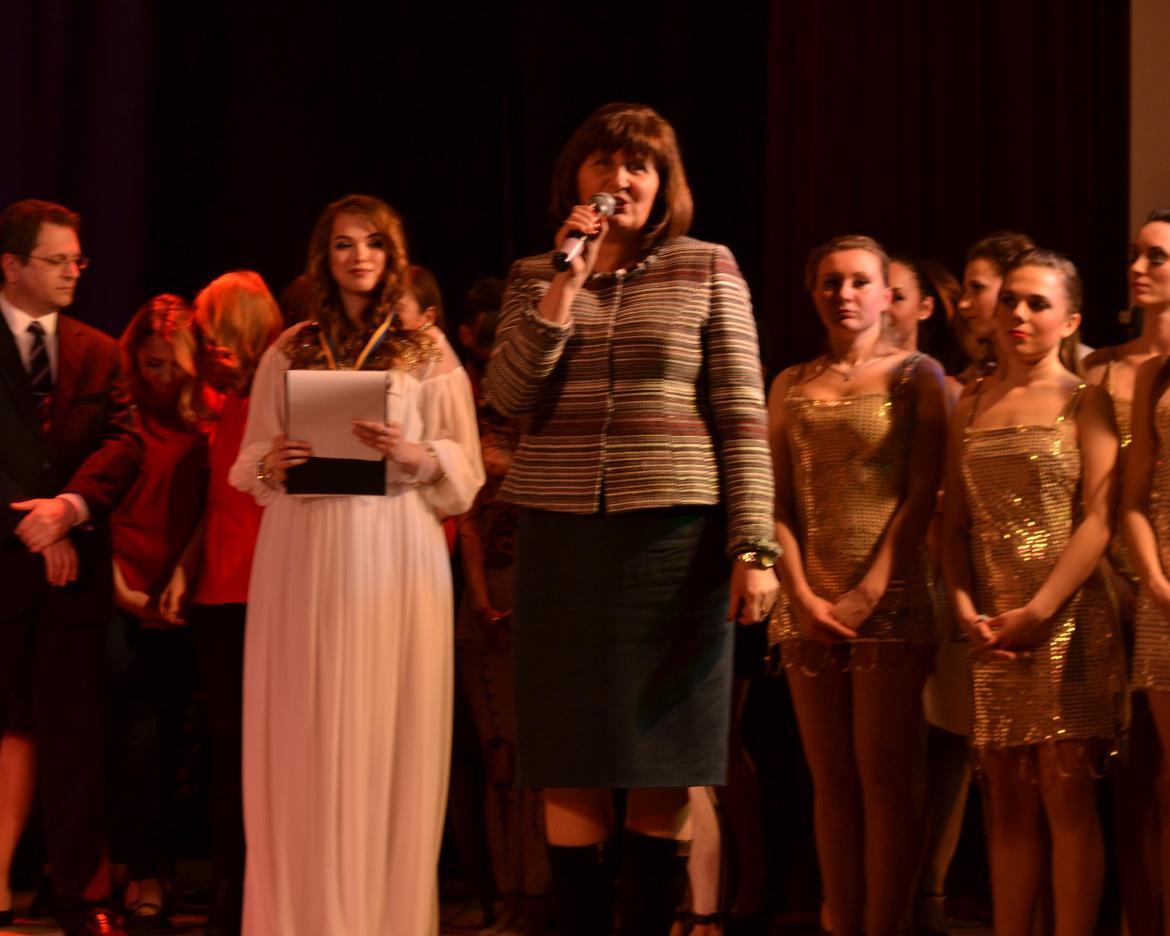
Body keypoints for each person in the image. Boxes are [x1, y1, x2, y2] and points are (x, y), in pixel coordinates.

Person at [484, 102, 778, 936]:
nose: (620, 179)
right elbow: (507, 395)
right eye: (604, 163)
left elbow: (741, 412)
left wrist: (754, 545)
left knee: (663, 757)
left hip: (674, 543)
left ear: (662, 185)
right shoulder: (533, 275)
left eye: (638, 166)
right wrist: (562, 288)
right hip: (562, 538)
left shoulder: (707, 266)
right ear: (575, 179)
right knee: (569, 754)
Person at [229, 193, 483, 935]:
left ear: (393, 254)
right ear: (324, 256)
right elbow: (250, 461)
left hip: (393, 550)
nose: (359, 256)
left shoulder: (427, 350)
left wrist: (415, 453)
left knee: (385, 727)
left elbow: (465, 472)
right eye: (344, 244)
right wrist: (274, 460)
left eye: (373, 242)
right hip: (304, 549)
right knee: (304, 726)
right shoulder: (290, 348)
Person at [768, 235, 948, 936]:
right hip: (809, 601)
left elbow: (922, 492)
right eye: (830, 281)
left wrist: (872, 589)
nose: (844, 294)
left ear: (885, 293)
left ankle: (888, 925)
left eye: (858, 281)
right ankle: (840, 923)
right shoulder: (790, 384)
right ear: (812, 292)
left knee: (886, 777)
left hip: (890, 597)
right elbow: (776, 500)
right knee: (831, 780)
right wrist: (800, 592)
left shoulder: (918, 375)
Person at [944, 248, 1126, 935]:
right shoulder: (970, 402)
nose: (1018, 313)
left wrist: (1041, 610)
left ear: (1071, 320)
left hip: (1067, 619)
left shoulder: (1086, 399)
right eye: (1010, 300)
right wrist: (966, 608)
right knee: (1007, 805)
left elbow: (1100, 517)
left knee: (1067, 801)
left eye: (1038, 303)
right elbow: (952, 525)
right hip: (993, 623)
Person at [0, 199, 142, 936]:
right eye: (56, 261)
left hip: (71, 575)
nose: (72, 273)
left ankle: (82, 896)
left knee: (74, 735)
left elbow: (123, 443)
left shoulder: (100, 349)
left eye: (77, 260)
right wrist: (30, 522)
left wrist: (69, 508)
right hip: (4, 565)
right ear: (12, 265)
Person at [106, 293, 206, 934]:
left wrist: (183, 576)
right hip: (117, 589)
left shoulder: (207, 419)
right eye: (152, 365)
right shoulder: (121, 415)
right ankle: (129, 870)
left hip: (179, 591)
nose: (164, 378)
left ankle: (156, 867)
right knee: (130, 734)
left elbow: (213, 509)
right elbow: (95, 505)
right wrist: (120, 591)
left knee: (171, 738)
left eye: (175, 366)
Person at [189, 270, 283, 936]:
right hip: (222, 592)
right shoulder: (226, 401)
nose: (205, 348)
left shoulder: (276, 394)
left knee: (262, 751)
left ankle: (257, 892)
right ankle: (232, 891)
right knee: (231, 750)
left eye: (212, 334)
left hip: (265, 590)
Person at [1120, 208, 1170, 933]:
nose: (1138, 268)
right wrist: (1156, 584)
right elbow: (1132, 500)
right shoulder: (1155, 376)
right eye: (1137, 254)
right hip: (1166, 600)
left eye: (1156, 257)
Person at [955, 231, 1036, 383]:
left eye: (977, 288)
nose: (963, 304)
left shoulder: (1073, 381)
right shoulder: (975, 384)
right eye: (965, 290)